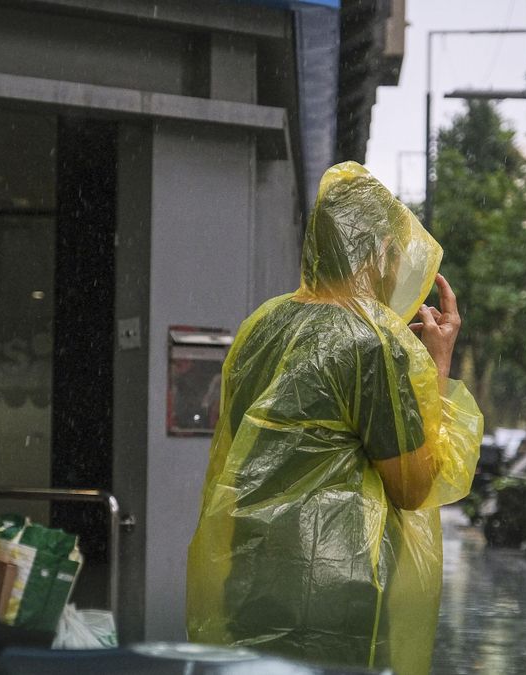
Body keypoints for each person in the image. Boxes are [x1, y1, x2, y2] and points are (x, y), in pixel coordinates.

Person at [186, 161, 484, 675]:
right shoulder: (370, 344)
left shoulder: (262, 326)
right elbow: (415, 484)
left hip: (248, 577)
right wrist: (436, 361)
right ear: (379, 252)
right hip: (337, 594)